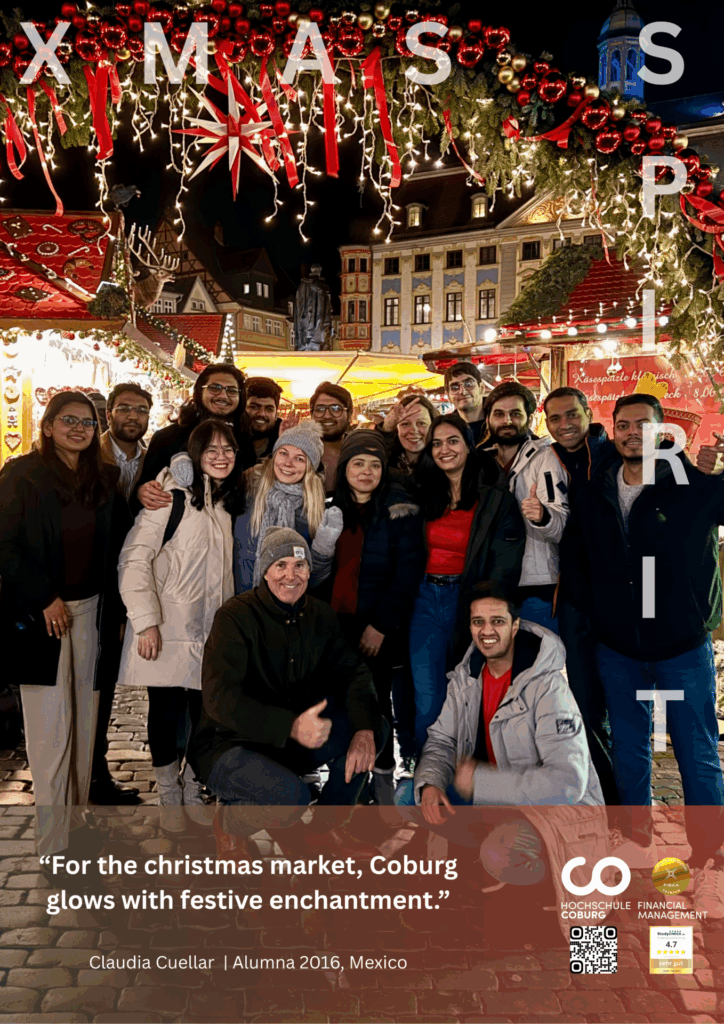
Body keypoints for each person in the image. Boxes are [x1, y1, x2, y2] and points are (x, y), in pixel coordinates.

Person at [561, 392, 724, 911]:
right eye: (624, 425)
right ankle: (637, 837)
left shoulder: (689, 484)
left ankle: (710, 860)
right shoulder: (595, 491)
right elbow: (580, 561)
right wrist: (595, 620)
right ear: (613, 431)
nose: (633, 433)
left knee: (697, 754)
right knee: (629, 750)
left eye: (643, 425)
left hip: (680, 645)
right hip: (619, 647)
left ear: (660, 430)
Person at [195, 528, 386, 857]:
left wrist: (363, 729)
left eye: (299, 566)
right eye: (280, 565)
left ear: (309, 572)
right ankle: (229, 821)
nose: (290, 575)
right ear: (265, 571)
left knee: (375, 727)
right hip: (228, 745)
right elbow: (219, 699)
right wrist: (292, 726)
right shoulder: (234, 616)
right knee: (290, 799)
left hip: (289, 743)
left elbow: (353, 671)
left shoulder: (320, 615)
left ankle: (327, 829)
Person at [0, 391, 129, 857]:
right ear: (48, 425)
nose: (79, 428)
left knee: (86, 722)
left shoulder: (105, 477)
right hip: (44, 618)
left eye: (88, 422)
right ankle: (52, 841)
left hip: (93, 610)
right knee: (51, 728)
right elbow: (5, 546)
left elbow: (118, 546)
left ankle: (76, 820)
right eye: (68, 420)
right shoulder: (22, 475)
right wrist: (44, 598)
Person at [117, 421, 243, 832]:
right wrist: (146, 622)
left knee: (205, 714)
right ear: (195, 455)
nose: (221, 456)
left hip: (211, 631)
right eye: (211, 450)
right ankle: (168, 792)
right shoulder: (171, 498)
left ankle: (192, 786)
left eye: (228, 449)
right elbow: (134, 559)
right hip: (170, 626)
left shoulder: (227, 504)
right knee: (166, 714)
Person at [400, 581, 603, 813]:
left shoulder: (549, 687)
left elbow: (569, 782)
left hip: (545, 814)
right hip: (486, 801)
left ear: (515, 626)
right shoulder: (465, 677)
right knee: (408, 797)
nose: (487, 631)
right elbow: (442, 740)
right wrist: (431, 783)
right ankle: (465, 841)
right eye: (478, 622)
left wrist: (481, 781)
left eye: (497, 621)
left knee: (498, 846)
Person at [409, 413, 525, 753]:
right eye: (437, 443)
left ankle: (472, 784)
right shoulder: (421, 493)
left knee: (472, 696)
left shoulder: (494, 497)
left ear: (468, 445)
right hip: (425, 600)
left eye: (453, 441)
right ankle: (430, 781)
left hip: (471, 601)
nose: (445, 449)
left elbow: (506, 556)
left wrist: (487, 605)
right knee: (428, 699)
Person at [326, 430, 425, 803]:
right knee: (340, 702)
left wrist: (382, 625)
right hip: (336, 627)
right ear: (345, 467)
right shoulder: (330, 508)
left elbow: (407, 572)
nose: (366, 471)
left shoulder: (401, 510)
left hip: (376, 629)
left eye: (374, 464)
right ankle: (349, 780)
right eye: (357, 463)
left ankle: (382, 783)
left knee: (376, 703)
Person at [543, 385, 620, 807]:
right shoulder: (549, 459)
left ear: (589, 413)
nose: (565, 424)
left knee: (618, 709)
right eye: (555, 418)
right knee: (588, 709)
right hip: (573, 601)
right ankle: (606, 803)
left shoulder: (614, 457)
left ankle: (627, 804)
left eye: (572, 415)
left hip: (619, 604)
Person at [92, 381, 154, 806]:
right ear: (110, 413)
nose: (133, 417)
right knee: (90, 682)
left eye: (141, 411)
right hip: (92, 584)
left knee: (109, 680)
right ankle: (89, 772)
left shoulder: (154, 461)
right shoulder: (89, 457)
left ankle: (95, 771)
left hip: (132, 581)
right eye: (126, 409)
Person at [479, 382, 569, 634]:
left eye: (515, 414)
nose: (507, 420)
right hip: (490, 583)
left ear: (529, 418)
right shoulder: (481, 462)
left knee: (538, 664)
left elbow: (562, 526)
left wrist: (543, 517)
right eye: (499, 414)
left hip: (534, 583)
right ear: (488, 419)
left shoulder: (546, 458)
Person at [229, 424, 342, 594]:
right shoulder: (248, 488)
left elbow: (314, 580)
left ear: (310, 467)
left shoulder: (314, 509)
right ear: (274, 456)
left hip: (286, 610)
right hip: (241, 603)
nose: (288, 463)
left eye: (299, 459)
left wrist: (323, 550)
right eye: (283, 453)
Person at [135, 363, 255, 511]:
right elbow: (147, 486)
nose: (223, 396)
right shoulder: (167, 438)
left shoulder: (244, 441)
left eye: (231, 391)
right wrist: (142, 492)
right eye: (214, 388)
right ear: (199, 392)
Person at [375, 393, 438, 476]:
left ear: (433, 426)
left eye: (421, 423)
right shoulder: (383, 465)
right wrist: (386, 428)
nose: (413, 430)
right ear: (396, 429)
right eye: (405, 424)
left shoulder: (445, 464)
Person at [309, 381, 353, 495]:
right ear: (312, 415)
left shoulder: (361, 451)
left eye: (336, 408)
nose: (327, 416)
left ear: (349, 415)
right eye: (320, 409)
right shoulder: (299, 453)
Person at [444, 362, 487, 445]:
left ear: (481, 388)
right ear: (448, 395)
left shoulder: (501, 422)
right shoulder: (445, 431)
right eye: (454, 387)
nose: (462, 392)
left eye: (469, 384)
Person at [244, 376, 283, 463]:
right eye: (254, 407)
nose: (261, 413)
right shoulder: (228, 439)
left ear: (276, 413)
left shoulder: (287, 441)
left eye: (269, 409)